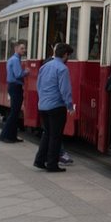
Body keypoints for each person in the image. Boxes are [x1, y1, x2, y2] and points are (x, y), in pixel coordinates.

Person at [33, 43, 75, 173]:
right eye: (68, 56)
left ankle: (39, 160)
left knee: (47, 134)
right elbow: (65, 90)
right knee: (55, 136)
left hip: (43, 106)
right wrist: (70, 106)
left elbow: (38, 85)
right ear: (65, 55)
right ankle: (52, 164)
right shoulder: (62, 69)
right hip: (56, 107)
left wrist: (43, 100)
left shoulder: (44, 66)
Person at [0, 42, 29, 143]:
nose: (24, 50)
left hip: (13, 86)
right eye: (22, 48)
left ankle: (12, 136)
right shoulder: (16, 60)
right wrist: (26, 72)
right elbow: (18, 74)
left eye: (24, 48)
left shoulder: (13, 59)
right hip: (16, 86)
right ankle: (4, 135)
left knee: (15, 113)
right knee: (14, 113)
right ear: (16, 49)